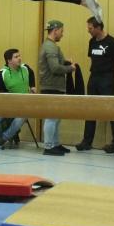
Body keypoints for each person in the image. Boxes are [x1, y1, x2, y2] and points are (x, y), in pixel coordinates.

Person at [75, 17, 114, 152]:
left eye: (90, 28)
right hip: (94, 77)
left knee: (111, 111)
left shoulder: (112, 42)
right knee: (90, 109)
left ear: (98, 28)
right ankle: (87, 141)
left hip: (107, 78)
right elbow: (93, 60)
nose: (88, 30)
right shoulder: (92, 42)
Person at [38, 20, 77, 156]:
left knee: (56, 117)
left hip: (56, 86)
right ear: (56, 31)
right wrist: (70, 68)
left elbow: (55, 64)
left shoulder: (51, 46)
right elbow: (54, 68)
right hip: (51, 87)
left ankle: (55, 143)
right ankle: (49, 146)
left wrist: (65, 63)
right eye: (62, 31)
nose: (63, 34)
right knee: (51, 117)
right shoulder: (50, 47)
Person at [0, 49, 36, 148]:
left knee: (20, 119)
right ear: (9, 61)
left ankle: (2, 140)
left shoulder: (25, 68)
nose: (19, 58)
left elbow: (31, 74)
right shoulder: (1, 73)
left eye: (19, 56)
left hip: (24, 106)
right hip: (8, 106)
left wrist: (32, 86)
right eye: (16, 57)